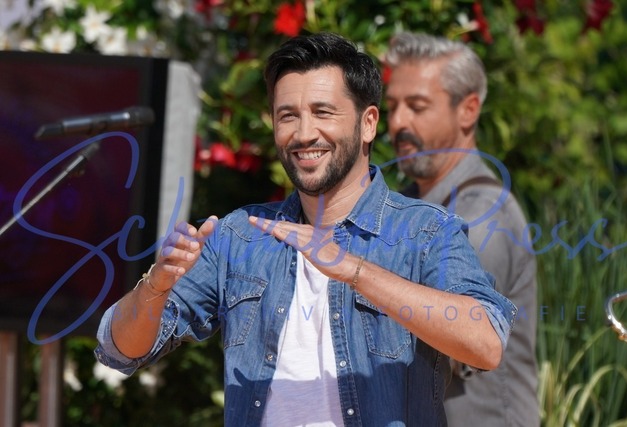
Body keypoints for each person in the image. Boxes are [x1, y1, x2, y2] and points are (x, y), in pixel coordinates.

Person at [95, 32, 516, 426]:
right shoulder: (239, 234)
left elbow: (486, 343)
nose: (303, 133)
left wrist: (353, 269)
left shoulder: (426, 230)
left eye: (322, 112)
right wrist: (156, 286)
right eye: (288, 116)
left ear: (368, 123)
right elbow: (120, 350)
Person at [384, 32, 538, 426]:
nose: (398, 122)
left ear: (468, 110)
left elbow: (456, 338)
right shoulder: (407, 203)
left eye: (417, 106)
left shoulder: (484, 213)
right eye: (392, 106)